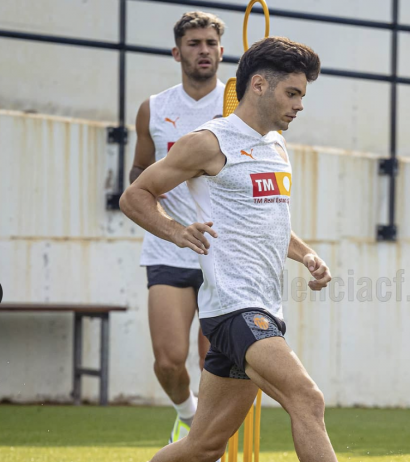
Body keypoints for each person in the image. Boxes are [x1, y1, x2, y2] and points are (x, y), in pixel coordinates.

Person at [121, 36, 337, 462]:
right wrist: (176, 231)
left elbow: (268, 221)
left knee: (203, 446)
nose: (299, 105)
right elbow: (135, 195)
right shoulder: (208, 142)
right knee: (307, 399)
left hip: (262, 307)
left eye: (302, 95)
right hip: (235, 309)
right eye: (292, 93)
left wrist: (307, 255)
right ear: (258, 85)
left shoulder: (276, 146)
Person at [129, 11, 226, 443]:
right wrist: (160, 195)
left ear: (222, 51)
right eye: (193, 43)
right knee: (169, 362)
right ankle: (188, 417)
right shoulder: (154, 108)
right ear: (177, 52)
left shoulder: (238, 106)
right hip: (168, 247)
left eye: (209, 43)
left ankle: (204, 438)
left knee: (214, 363)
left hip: (222, 250)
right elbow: (138, 174)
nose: (202, 50)